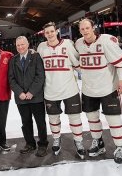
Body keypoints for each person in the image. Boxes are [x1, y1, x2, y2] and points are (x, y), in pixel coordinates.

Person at [75, 18, 122, 164]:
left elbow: (121, 61)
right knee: (92, 118)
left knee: (113, 119)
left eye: (87, 28)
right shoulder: (79, 43)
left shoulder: (106, 41)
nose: (85, 31)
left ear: (93, 28)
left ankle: (120, 147)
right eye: (82, 29)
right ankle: (98, 143)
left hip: (108, 88)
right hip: (88, 89)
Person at [37, 22, 86, 159]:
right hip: (50, 91)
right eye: (47, 33)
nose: (50, 34)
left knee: (75, 118)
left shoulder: (67, 44)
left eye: (52, 31)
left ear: (56, 31)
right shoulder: (41, 48)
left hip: (70, 89)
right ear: (44, 34)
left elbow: (78, 65)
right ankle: (57, 139)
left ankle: (79, 142)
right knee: (53, 118)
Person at [8, 36, 49, 157]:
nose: (20, 47)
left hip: (35, 97)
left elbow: (40, 76)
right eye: (18, 45)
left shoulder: (36, 57)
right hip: (21, 98)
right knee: (26, 122)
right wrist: (19, 92)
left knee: (40, 122)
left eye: (22, 44)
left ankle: (42, 144)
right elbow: (11, 79)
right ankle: (30, 143)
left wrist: (31, 92)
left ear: (28, 44)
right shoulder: (13, 60)